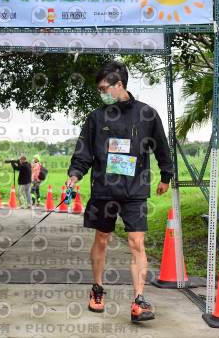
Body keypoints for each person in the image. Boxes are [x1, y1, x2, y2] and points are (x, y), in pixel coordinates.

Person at [65, 60, 173, 322]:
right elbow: (84, 151)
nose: (101, 93)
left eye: (104, 88)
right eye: (99, 90)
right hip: (103, 190)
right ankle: (98, 288)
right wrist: (75, 174)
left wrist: (166, 175)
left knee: (137, 242)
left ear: (119, 85)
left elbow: (161, 146)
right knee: (102, 239)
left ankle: (138, 300)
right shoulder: (96, 117)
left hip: (135, 190)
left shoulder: (147, 114)